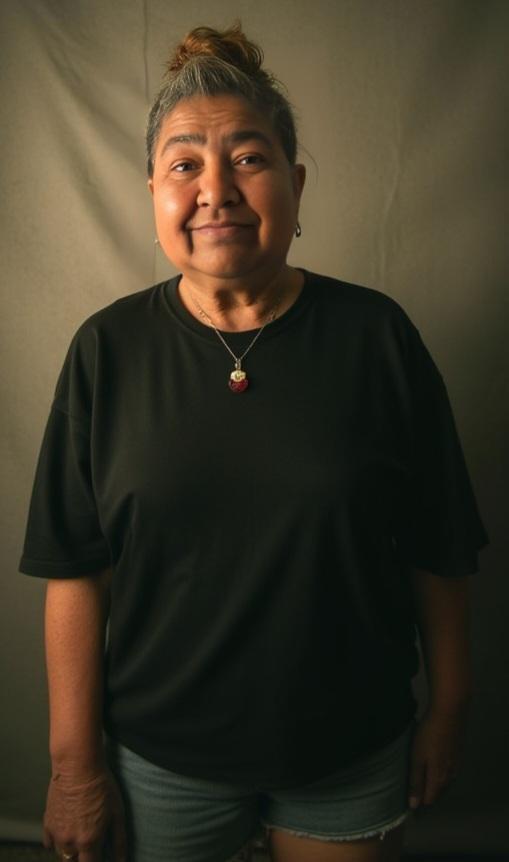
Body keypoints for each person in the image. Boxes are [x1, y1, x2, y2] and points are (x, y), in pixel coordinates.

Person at [19, 22, 488, 862]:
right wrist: (72, 767)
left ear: (294, 185)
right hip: (161, 758)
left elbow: (438, 543)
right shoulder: (107, 351)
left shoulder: (376, 338)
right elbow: (75, 568)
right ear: (152, 192)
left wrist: (448, 708)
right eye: (184, 165)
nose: (216, 190)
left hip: (348, 748)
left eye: (247, 157)